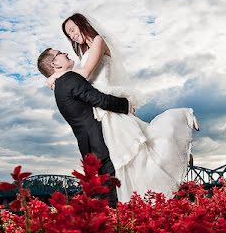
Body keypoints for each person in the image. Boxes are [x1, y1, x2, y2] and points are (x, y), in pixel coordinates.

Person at [47, 13, 199, 203]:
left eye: (72, 29)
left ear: (82, 24)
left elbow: (85, 74)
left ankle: (179, 131)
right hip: (100, 110)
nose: (72, 36)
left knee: (135, 155)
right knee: (124, 161)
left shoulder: (98, 41)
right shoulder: (84, 52)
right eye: (68, 34)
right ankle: (133, 205)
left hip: (106, 105)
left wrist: (59, 76)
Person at [37, 48, 132, 207]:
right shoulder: (69, 79)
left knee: (105, 198)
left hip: (89, 147)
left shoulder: (59, 86)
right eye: (60, 53)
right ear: (55, 64)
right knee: (114, 198)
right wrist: (127, 106)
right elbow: (99, 99)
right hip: (102, 143)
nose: (66, 53)